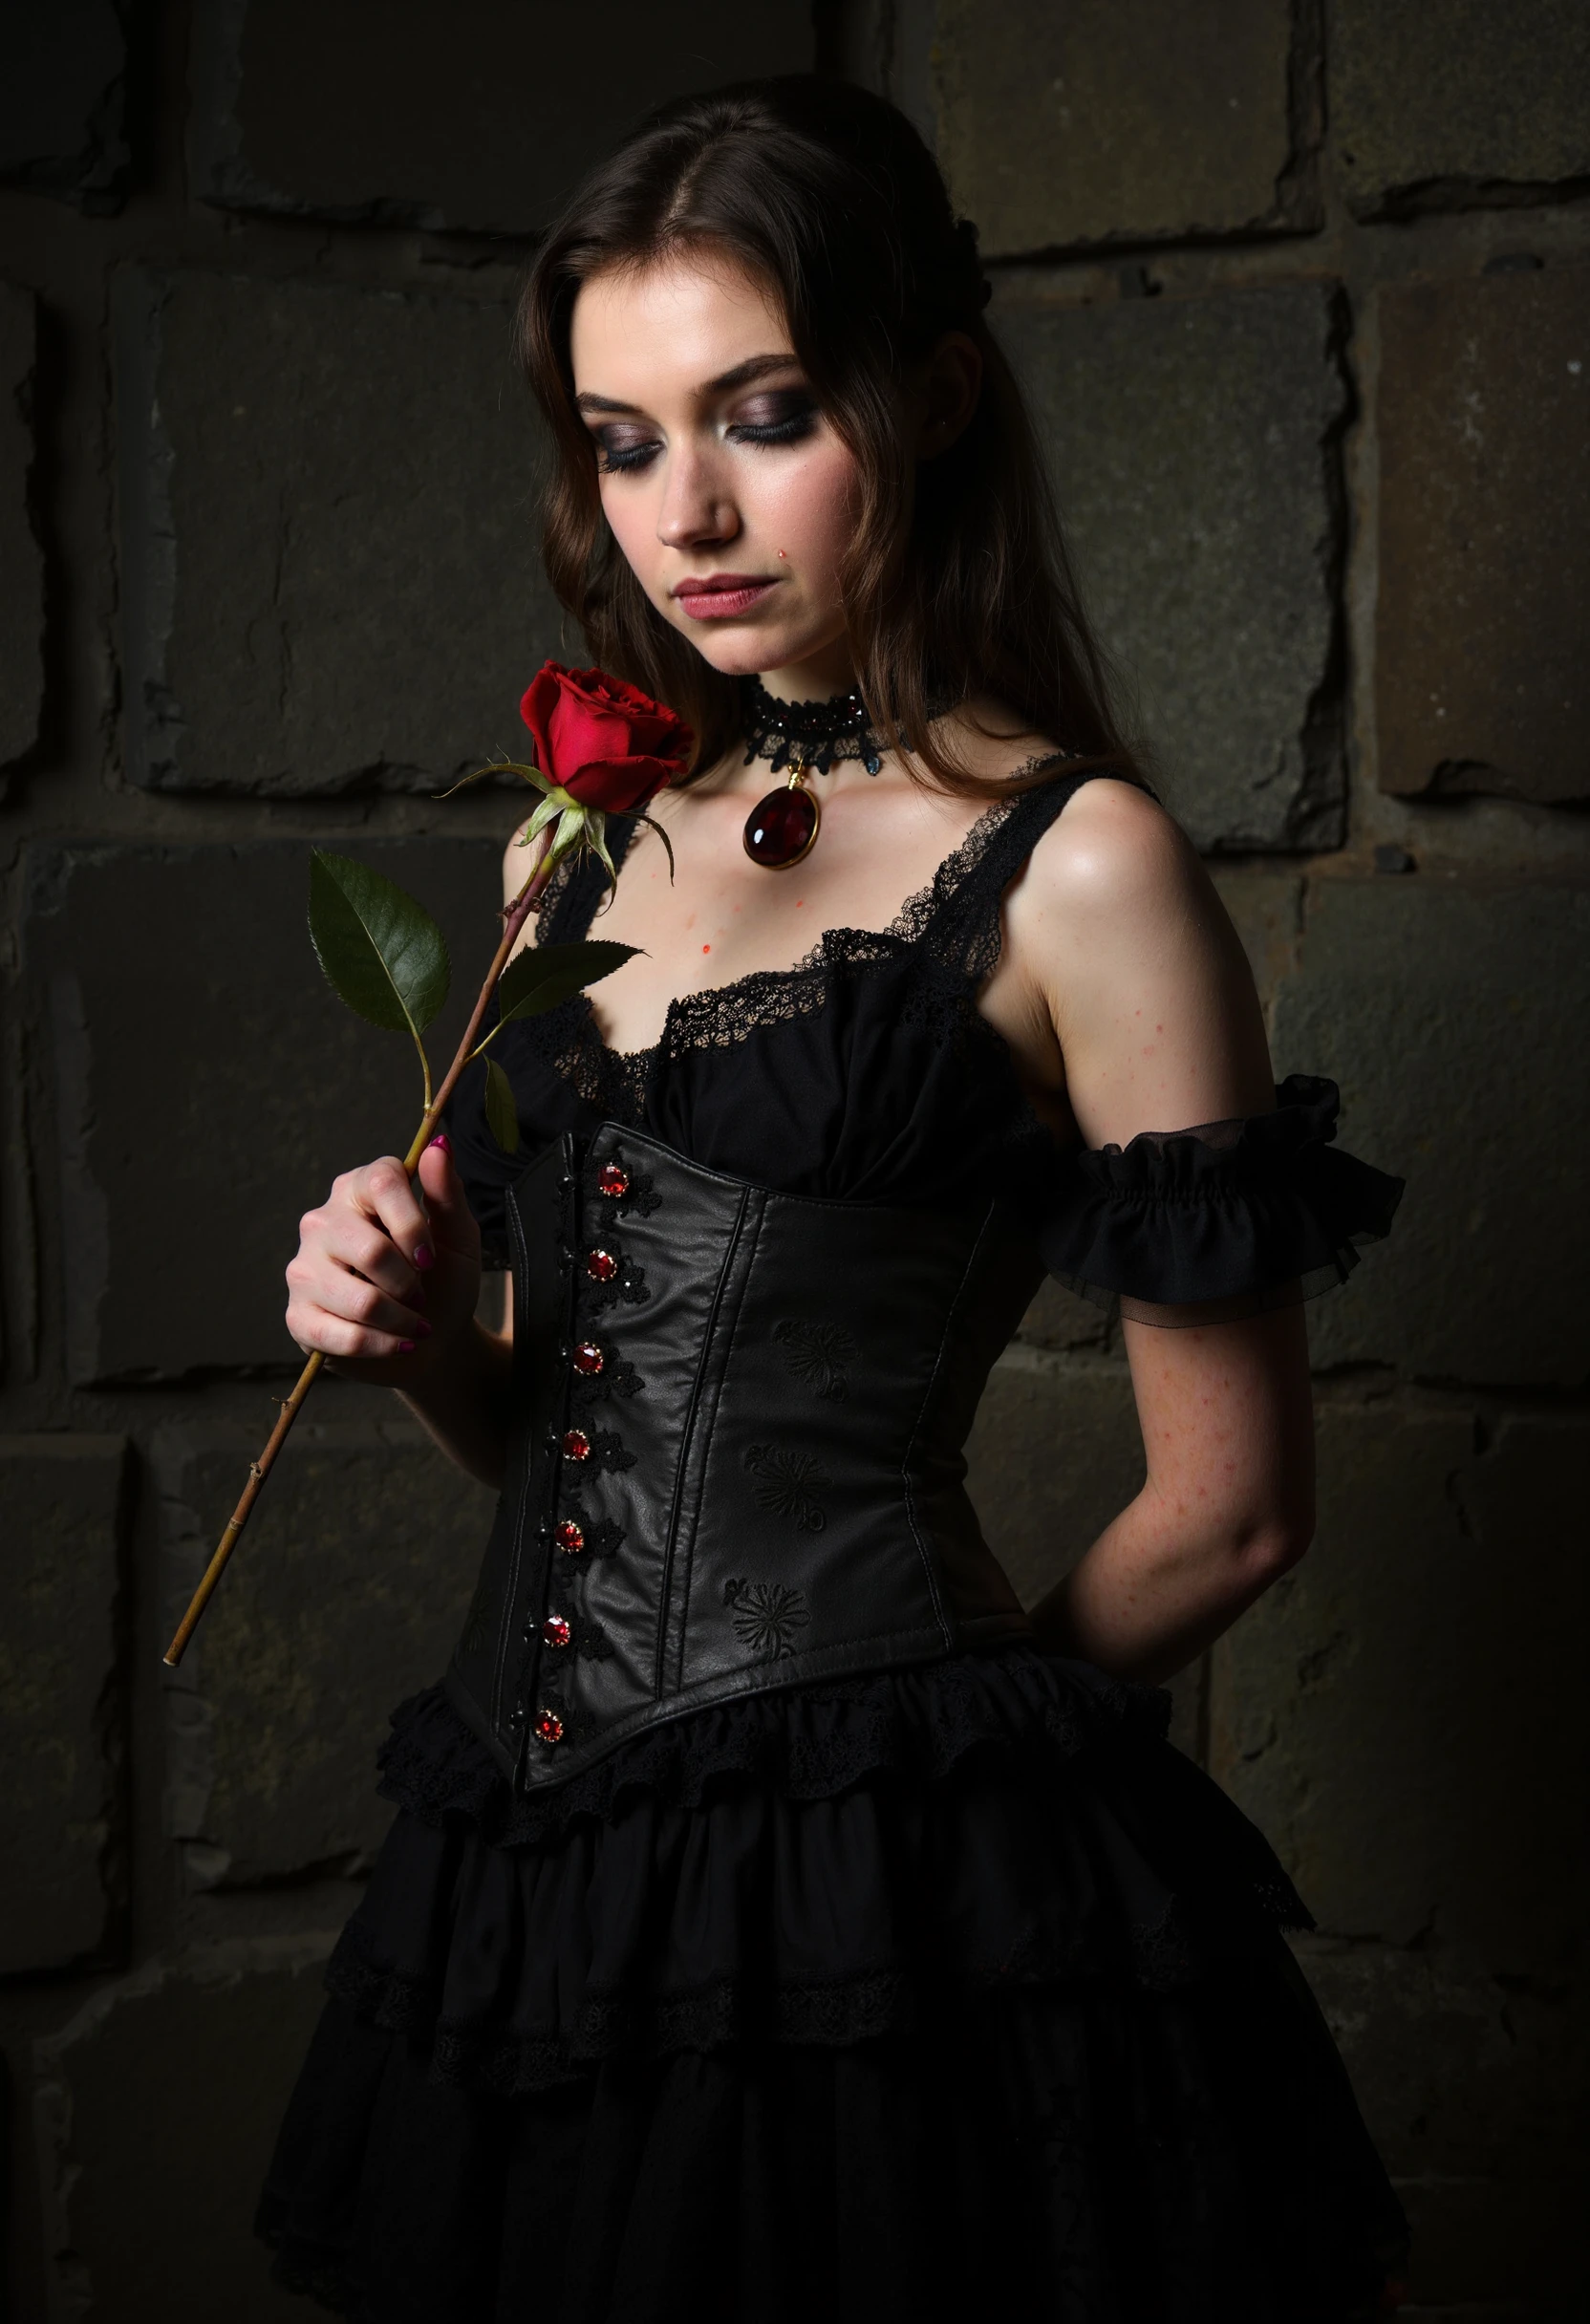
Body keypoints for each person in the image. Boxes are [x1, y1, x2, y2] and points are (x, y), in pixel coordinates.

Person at [258, 75, 1408, 2324]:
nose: (684, 511)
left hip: (879, 1889)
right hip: (523, 1862)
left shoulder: (1081, 866)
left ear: (932, 395)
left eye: (761, 414)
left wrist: (924, 1780)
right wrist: (415, 1348)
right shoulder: (568, 847)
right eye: (620, 437)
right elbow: (559, 1428)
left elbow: (1236, 1509)